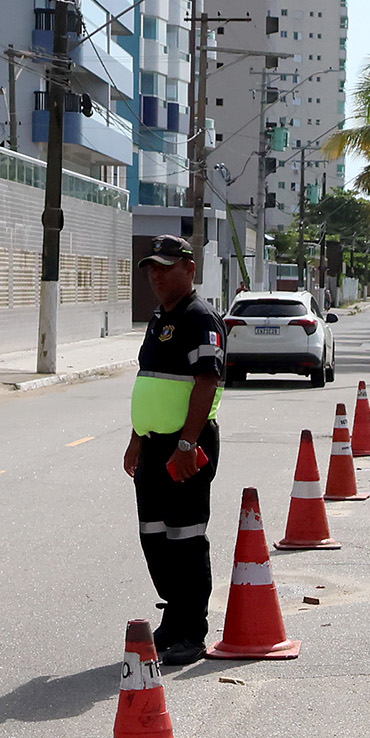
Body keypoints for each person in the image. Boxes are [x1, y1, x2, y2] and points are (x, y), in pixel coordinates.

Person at [125, 235, 227, 664]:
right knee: (154, 535)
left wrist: (187, 442)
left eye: (166, 267)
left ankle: (192, 629)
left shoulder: (200, 318)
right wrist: (136, 438)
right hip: (153, 445)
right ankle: (174, 616)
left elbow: (207, 382)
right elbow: (148, 381)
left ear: (190, 268)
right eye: (152, 268)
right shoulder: (157, 319)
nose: (156, 275)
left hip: (186, 444)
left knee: (185, 538)